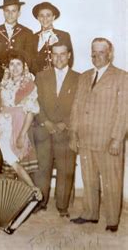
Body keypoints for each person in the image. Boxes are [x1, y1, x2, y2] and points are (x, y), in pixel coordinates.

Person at [69, 38, 127, 232]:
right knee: (89, 179)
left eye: (101, 52)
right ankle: (90, 213)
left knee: (112, 181)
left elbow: (124, 111)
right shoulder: (84, 76)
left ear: (109, 54)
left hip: (108, 140)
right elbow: (77, 106)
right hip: (85, 138)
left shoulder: (121, 77)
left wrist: (117, 139)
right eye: (94, 52)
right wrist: (73, 133)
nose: (97, 56)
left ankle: (112, 220)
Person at [32, 41, 79, 217]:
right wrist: (46, 121)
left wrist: (65, 123)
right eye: (55, 54)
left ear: (69, 56)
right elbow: (35, 101)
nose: (58, 58)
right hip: (44, 130)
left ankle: (62, 206)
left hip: (65, 133)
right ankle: (41, 202)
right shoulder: (41, 76)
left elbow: (79, 105)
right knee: (42, 168)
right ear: (50, 57)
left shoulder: (78, 78)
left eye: (62, 54)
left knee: (65, 170)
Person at [0, 49, 39, 174]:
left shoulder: (29, 85)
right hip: (4, 127)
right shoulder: (4, 83)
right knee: (9, 167)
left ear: (24, 66)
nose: (15, 68)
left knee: (22, 168)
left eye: (18, 64)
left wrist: (22, 134)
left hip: (20, 125)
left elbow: (31, 111)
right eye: (12, 64)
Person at [0, 0, 35, 81]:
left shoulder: (27, 33)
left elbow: (30, 58)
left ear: (19, 13)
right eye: (7, 11)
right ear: (3, 12)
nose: (10, 14)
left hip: (20, 77)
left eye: (13, 11)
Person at [32, 2, 73, 73]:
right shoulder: (32, 37)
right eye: (41, 15)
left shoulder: (63, 36)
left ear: (53, 17)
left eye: (48, 15)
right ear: (38, 18)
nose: (45, 19)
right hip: (38, 79)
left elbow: (69, 61)